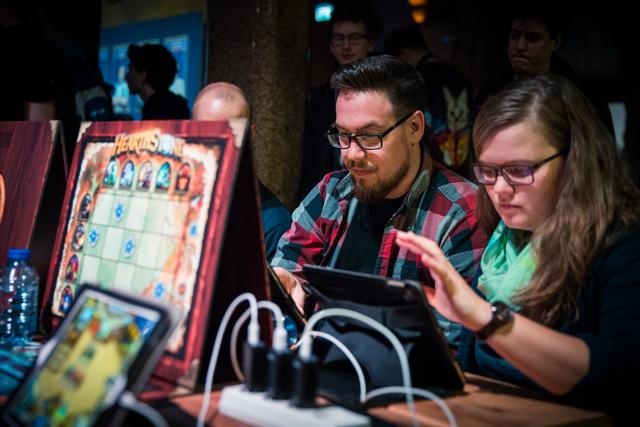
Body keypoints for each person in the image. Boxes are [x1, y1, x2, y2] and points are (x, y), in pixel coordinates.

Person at [396, 74, 640, 422]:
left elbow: (621, 374)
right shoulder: (504, 244)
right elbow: (471, 368)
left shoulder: (622, 246)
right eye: (488, 171)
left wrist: (483, 316)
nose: (500, 190)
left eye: (520, 170)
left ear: (575, 162)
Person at [273, 55, 488, 345]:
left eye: (370, 137)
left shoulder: (461, 212)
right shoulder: (331, 192)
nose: (351, 155)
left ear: (415, 128)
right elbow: (290, 263)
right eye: (343, 135)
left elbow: (454, 343)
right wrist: (286, 280)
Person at [474, 2, 613, 133]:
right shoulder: (489, 94)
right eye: (515, 36)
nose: (520, 46)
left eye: (532, 38)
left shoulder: (583, 99)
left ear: (555, 42)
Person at [192, 82, 291, 261]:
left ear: (250, 135)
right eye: (206, 132)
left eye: (229, 135)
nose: (215, 147)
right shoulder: (173, 192)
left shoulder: (274, 225)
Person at [298, 2, 382, 204]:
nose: (346, 45)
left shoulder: (383, 94)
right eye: (339, 38)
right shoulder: (320, 97)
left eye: (354, 38)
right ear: (330, 45)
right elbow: (311, 157)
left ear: (370, 43)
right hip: (329, 196)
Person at [385, 25, 473, 178]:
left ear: (404, 55)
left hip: (433, 168)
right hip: (463, 163)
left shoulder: (418, 80)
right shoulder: (460, 76)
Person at [126, 43, 190, 120]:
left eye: (130, 70)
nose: (126, 77)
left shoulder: (155, 111)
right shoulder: (175, 105)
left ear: (143, 75)